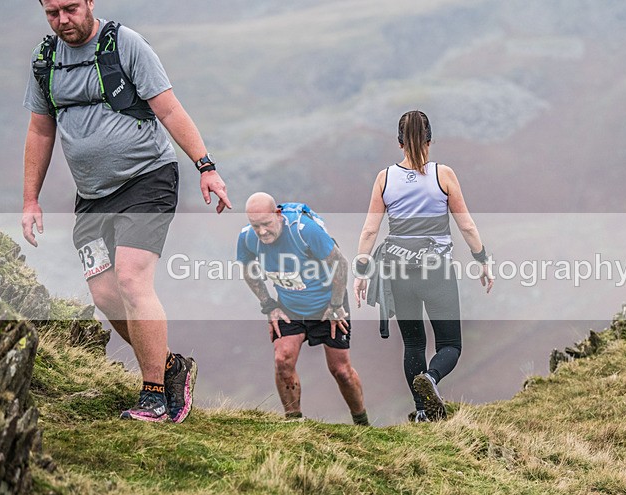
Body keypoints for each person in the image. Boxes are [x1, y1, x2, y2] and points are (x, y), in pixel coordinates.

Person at [21, 0, 232, 423]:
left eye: (71, 9)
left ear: (89, 3)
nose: (63, 20)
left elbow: (168, 108)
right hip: (92, 196)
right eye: (52, 13)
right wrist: (30, 199)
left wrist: (206, 167)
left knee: (133, 278)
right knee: (105, 294)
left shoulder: (126, 44)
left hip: (147, 179)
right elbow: (40, 129)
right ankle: (171, 366)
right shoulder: (46, 60)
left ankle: (153, 393)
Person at [353, 110, 493, 423]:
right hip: (436, 270)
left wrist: (361, 272)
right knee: (450, 345)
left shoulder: (385, 178)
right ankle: (430, 378)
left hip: (397, 270)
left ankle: (421, 411)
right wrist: (482, 259)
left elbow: (369, 231)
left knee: (414, 343)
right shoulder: (444, 175)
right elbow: (466, 225)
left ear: (399, 143)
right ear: (430, 140)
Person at [238, 193, 369, 425]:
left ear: (277, 214)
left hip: (328, 306)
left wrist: (336, 305)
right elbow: (248, 268)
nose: (262, 232)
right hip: (290, 307)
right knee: (282, 360)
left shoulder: (304, 230)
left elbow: (340, 264)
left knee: (341, 370)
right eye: (255, 225)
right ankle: (294, 422)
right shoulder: (248, 237)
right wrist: (268, 305)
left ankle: (361, 422)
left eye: (266, 224)